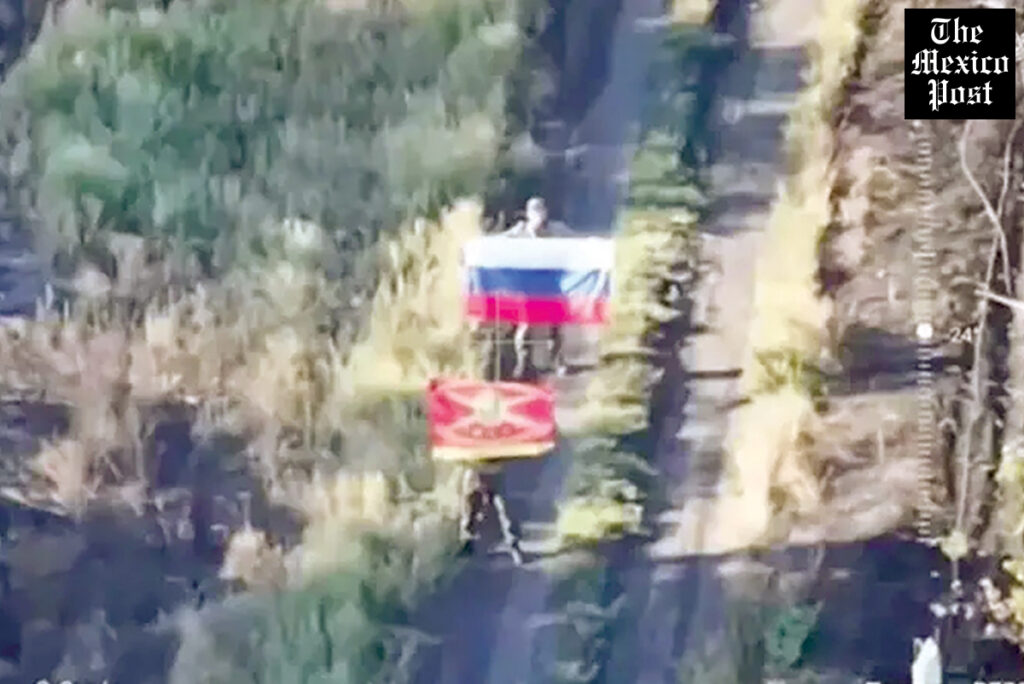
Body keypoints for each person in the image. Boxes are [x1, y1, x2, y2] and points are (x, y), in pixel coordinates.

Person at [500, 197, 571, 378]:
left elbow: (577, 242)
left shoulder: (555, 230)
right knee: (525, 325)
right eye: (534, 211)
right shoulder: (520, 231)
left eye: (541, 211)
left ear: (545, 213)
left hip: (551, 283)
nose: (538, 215)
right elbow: (498, 243)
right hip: (528, 286)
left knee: (556, 325)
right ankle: (523, 363)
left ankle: (558, 361)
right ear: (528, 214)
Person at [458, 461, 523, 565]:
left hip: (493, 469)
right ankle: (468, 541)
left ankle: (513, 544)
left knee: (504, 508)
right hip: (475, 468)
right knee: (469, 507)